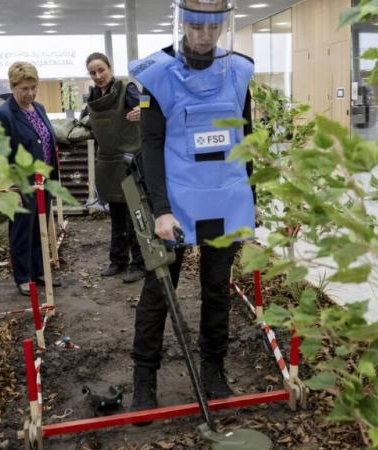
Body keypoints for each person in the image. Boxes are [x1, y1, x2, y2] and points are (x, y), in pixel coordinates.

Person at [127, 0, 256, 416]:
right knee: (159, 291)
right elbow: (151, 144)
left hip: (225, 199)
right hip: (177, 205)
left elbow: (245, 138)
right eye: (197, 27)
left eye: (212, 28)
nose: (204, 36)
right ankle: (143, 380)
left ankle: (213, 371)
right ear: (183, 24)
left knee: (217, 290)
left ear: (223, 27)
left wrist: (251, 200)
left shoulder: (238, 72)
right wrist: (161, 209)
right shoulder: (159, 75)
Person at [0, 62, 62, 296]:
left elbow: (45, 141)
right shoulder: (4, 115)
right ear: (12, 87)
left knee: (39, 229)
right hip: (23, 185)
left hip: (45, 182)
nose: (30, 93)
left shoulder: (39, 108)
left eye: (34, 87)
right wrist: (12, 188)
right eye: (24, 89)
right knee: (22, 231)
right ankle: (23, 277)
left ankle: (39, 272)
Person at [83, 52, 145, 283]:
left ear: (110, 68)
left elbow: (146, 103)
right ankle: (118, 261)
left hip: (129, 161)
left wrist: (144, 110)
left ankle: (139, 263)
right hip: (107, 163)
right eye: (93, 72)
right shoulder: (93, 96)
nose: (98, 76)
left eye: (101, 70)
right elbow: (86, 121)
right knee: (116, 216)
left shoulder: (127, 89)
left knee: (134, 216)